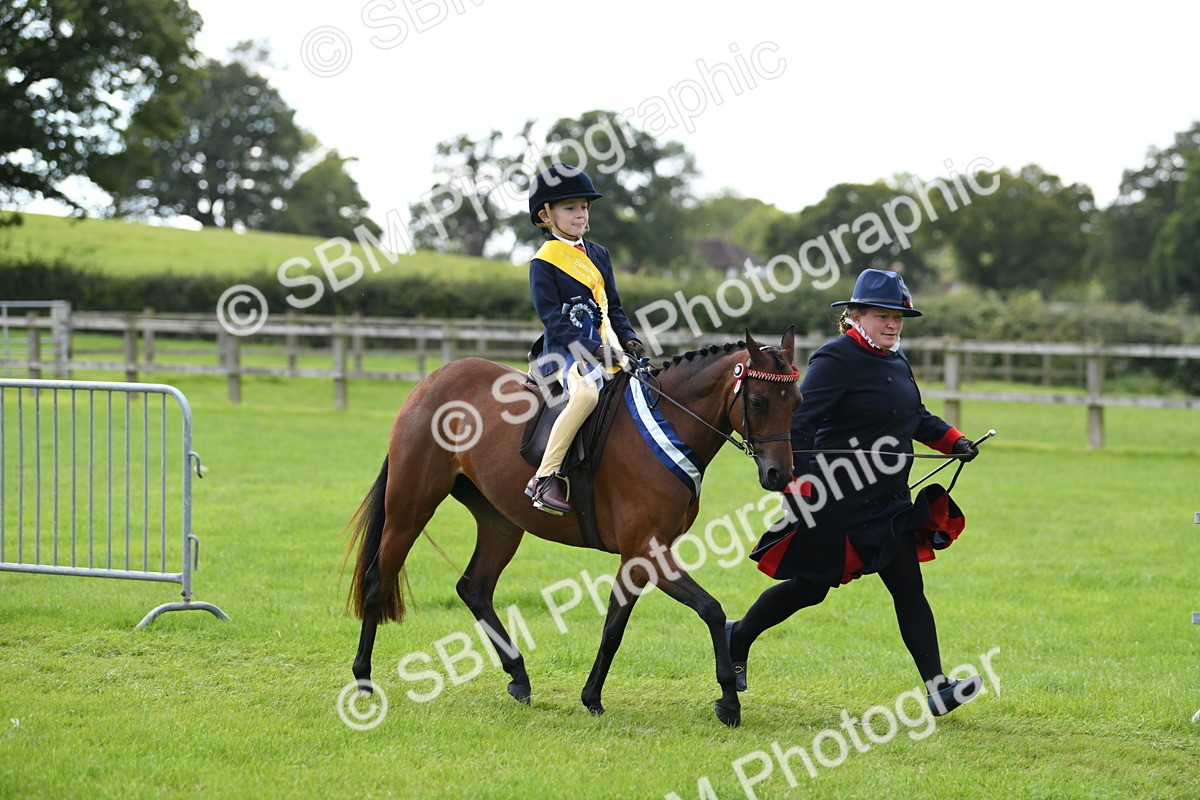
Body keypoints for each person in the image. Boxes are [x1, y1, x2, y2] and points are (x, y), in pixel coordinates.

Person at [726, 268, 984, 716]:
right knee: (811, 587)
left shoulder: (896, 360)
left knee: (908, 587)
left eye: (899, 317)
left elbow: (915, 416)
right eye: (883, 315)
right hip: (836, 501)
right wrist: (802, 487)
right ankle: (738, 636)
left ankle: (938, 688)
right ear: (856, 315)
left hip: (888, 501)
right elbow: (799, 427)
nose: (893, 324)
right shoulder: (835, 358)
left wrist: (954, 440)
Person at [523, 162, 646, 515]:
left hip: (608, 344)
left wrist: (630, 339)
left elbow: (614, 307)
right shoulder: (543, 261)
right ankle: (544, 478)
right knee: (587, 395)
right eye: (570, 208)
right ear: (546, 215)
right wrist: (591, 347)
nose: (580, 214)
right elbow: (551, 318)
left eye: (584, 207)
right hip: (566, 352)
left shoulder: (599, 255)